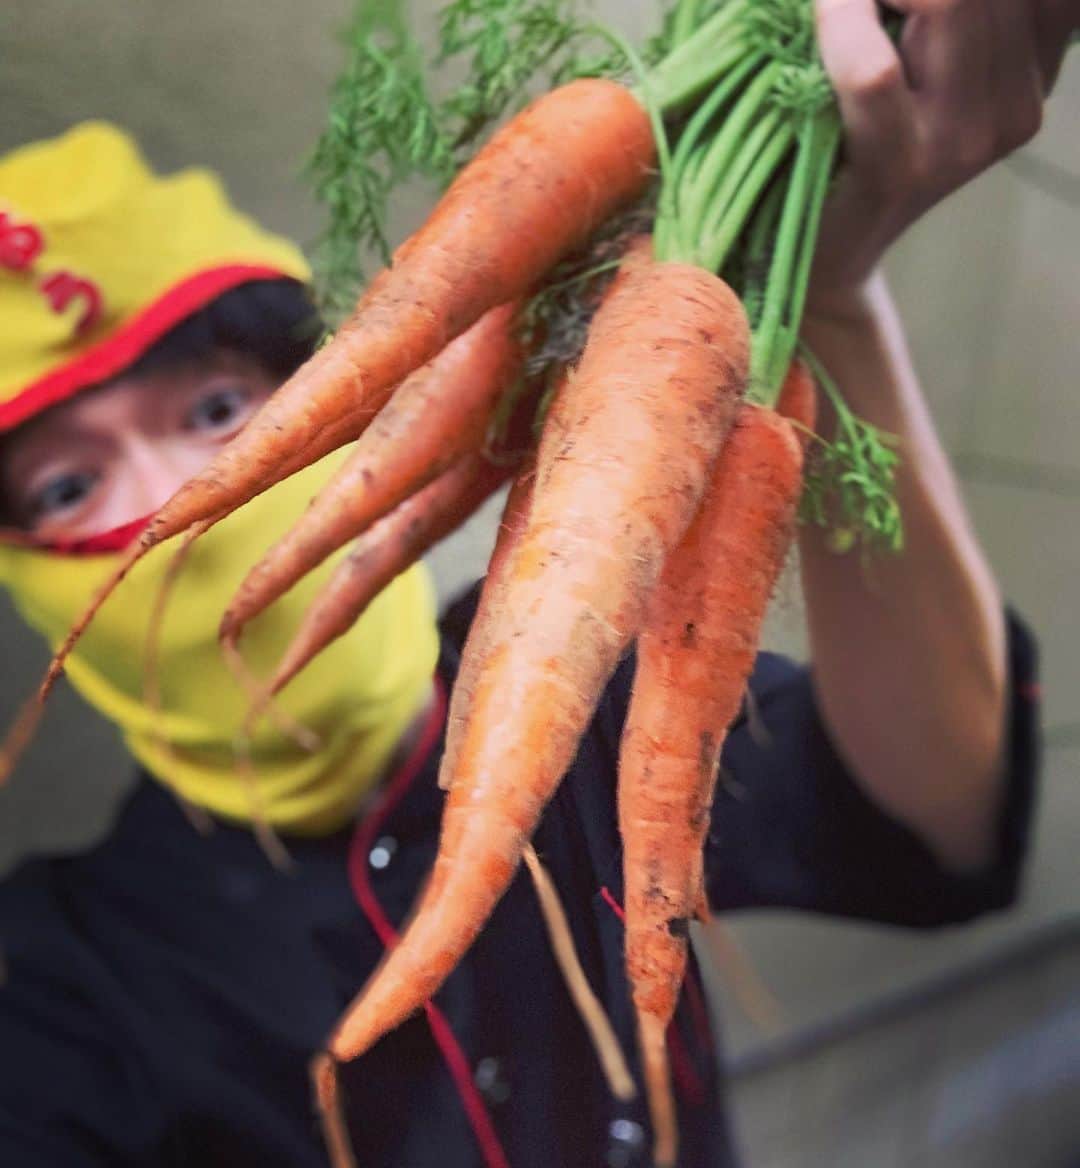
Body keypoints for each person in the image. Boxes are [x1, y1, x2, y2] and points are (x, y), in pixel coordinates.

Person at [0, 2, 1072, 1165]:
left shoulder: (603, 682)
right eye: (66, 487)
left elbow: (944, 828)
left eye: (217, 411)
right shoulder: (57, 982)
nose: (178, 498)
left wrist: (836, 298)